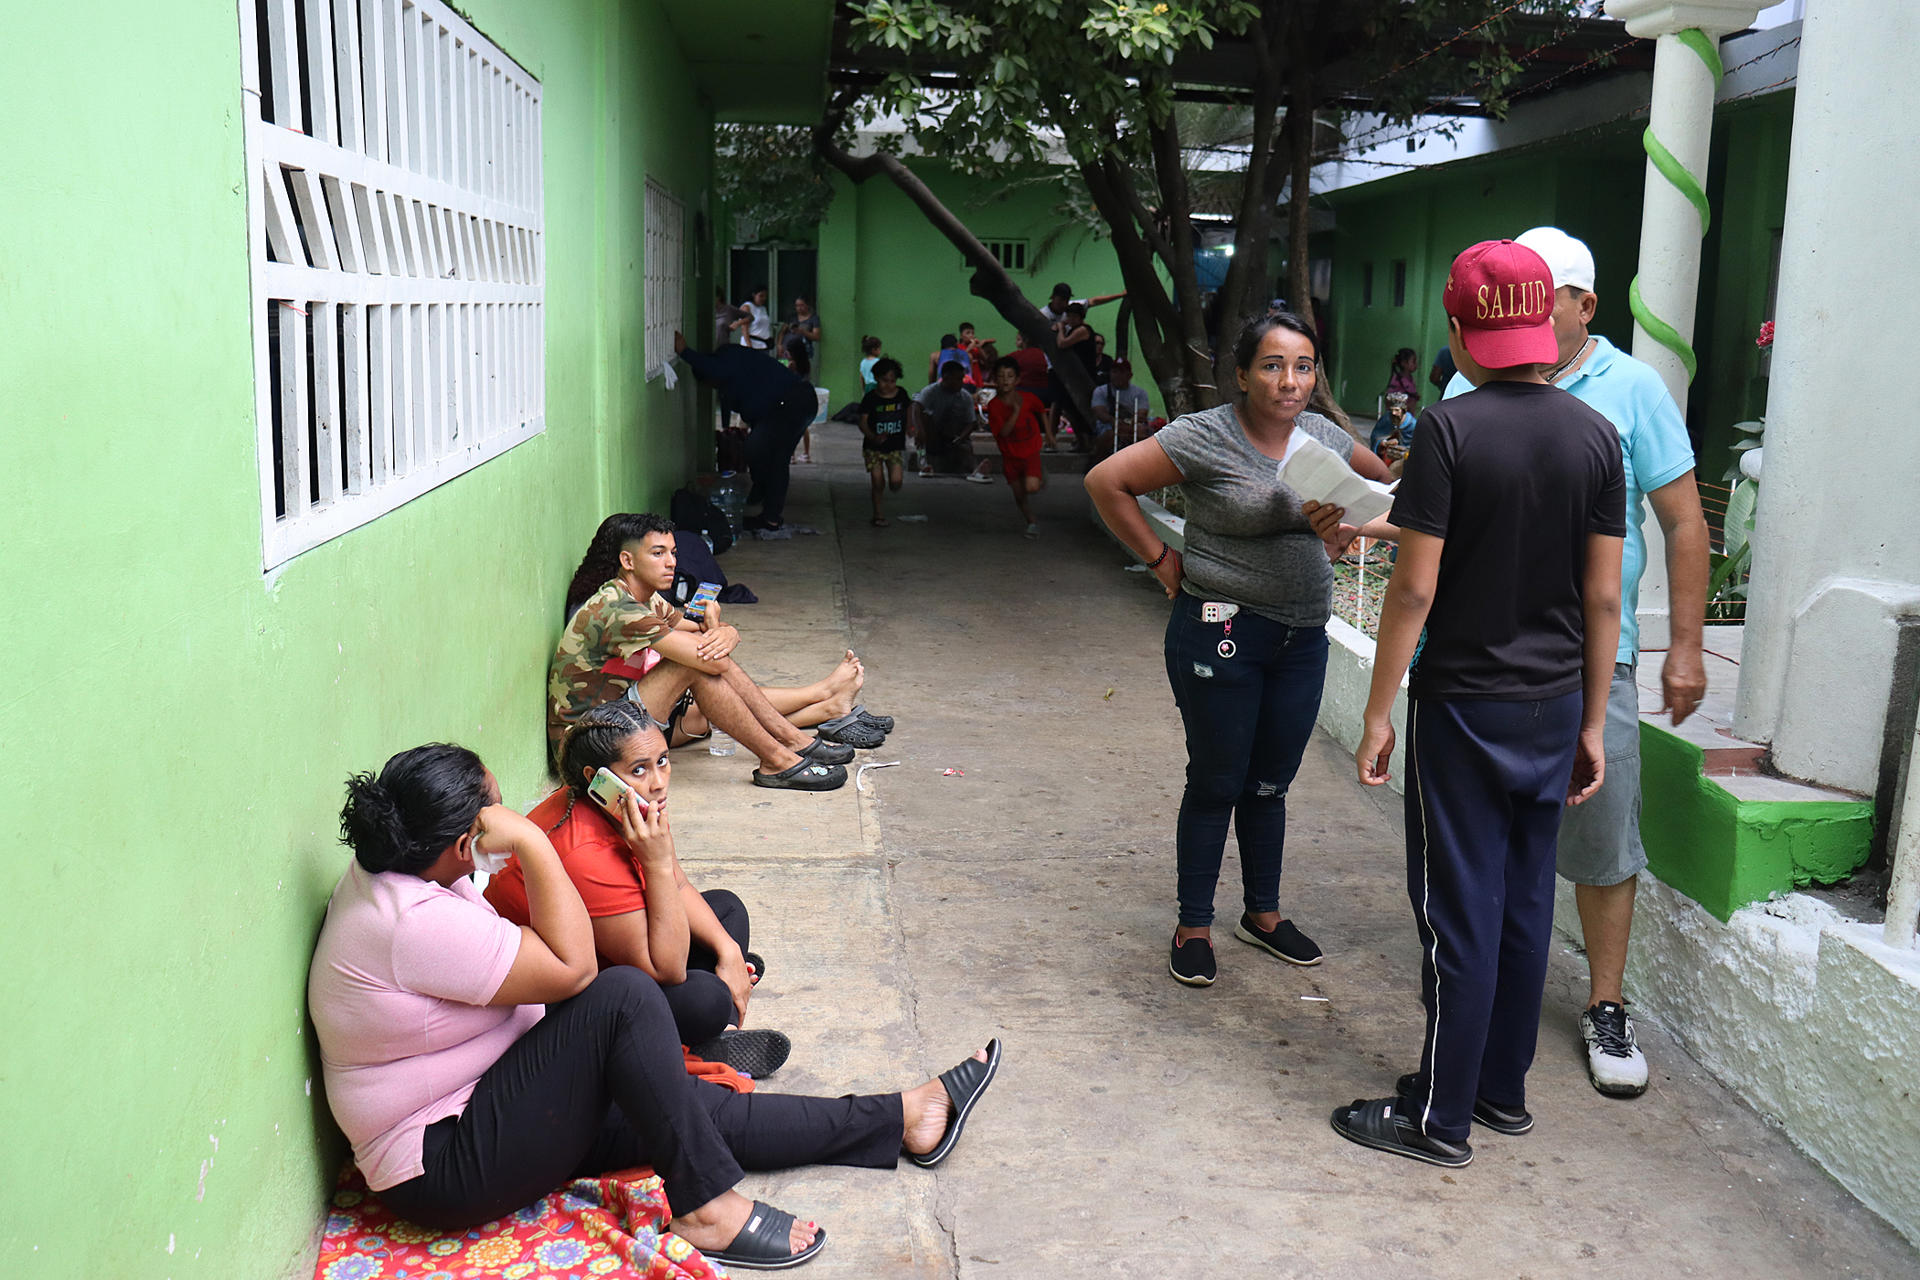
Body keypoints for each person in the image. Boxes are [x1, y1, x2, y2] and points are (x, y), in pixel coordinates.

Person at [309, 743, 1003, 1269]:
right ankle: (708, 1208)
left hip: (495, 1096)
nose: (507, 814)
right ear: (468, 844)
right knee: (622, 995)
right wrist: (527, 839)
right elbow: (575, 967)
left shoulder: (408, 860)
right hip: (445, 1159)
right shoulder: (409, 921)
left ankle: (903, 1118)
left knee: (691, 1115)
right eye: (495, 812)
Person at [1330, 238, 1624, 1169]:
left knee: (1455, 908)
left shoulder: (1449, 432)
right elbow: (1604, 598)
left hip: (1462, 707)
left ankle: (1439, 1120)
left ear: (1457, 333)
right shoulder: (1595, 436)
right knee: (1524, 904)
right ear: (1546, 324)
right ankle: (1500, 1092)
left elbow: (1413, 591)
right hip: (1549, 705)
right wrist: (1589, 721)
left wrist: (1379, 713)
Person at [1441, 226, 1708, 1099]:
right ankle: (1469, 1002)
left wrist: (1688, 647)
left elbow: (1682, 521)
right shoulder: (1466, 378)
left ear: (1583, 305)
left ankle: (1603, 1002)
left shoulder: (1631, 390)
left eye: (1535, 293)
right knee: (1483, 855)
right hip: (1479, 665)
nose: (1508, 308)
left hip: (1595, 667)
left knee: (1598, 838)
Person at [1085, 312, 1392, 988]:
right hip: (1221, 629)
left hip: (1302, 636)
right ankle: (1193, 924)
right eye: (1274, 365)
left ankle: (1264, 915)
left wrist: (1345, 526)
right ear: (1243, 373)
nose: (1290, 381)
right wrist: (1163, 560)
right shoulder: (1204, 436)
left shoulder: (1324, 437)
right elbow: (1106, 482)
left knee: (1269, 783)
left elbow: (1389, 494)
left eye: (1304, 366)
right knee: (1218, 779)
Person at [488, 701, 788, 1072]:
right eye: (639, 770)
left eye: (662, 761)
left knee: (726, 911)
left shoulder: (627, 806)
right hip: (559, 1002)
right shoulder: (583, 850)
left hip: (612, 948)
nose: (659, 781)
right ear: (597, 778)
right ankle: (706, 1036)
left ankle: (715, 1024)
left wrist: (727, 952)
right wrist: (656, 860)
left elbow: (677, 885)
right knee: (704, 997)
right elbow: (667, 972)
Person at [550, 512, 863, 792]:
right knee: (697, 666)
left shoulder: (647, 598)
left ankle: (790, 742)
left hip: (618, 721)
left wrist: (723, 629)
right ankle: (781, 753)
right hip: (585, 747)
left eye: (672, 553)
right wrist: (719, 632)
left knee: (707, 686)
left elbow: (695, 628)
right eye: (657, 554)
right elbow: (705, 655)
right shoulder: (617, 607)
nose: (671, 562)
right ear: (628, 561)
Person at [673, 330, 813, 531]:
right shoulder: (737, 368)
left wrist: (684, 352)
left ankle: (771, 518)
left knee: (775, 459)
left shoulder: (725, 361)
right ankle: (761, 493)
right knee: (757, 449)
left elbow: (713, 368)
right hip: (791, 403)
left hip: (791, 403)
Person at [984, 356, 1048, 537]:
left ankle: (1040, 475)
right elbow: (1004, 432)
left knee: (1031, 488)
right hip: (1010, 456)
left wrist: (1049, 434)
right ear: (995, 379)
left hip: (1030, 453)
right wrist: (1016, 412)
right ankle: (1032, 522)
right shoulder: (994, 406)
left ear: (1017, 380)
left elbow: (1041, 410)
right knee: (1019, 495)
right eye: (1001, 376)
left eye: (1010, 376)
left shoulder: (1027, 398)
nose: (1005, 380)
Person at [860, 358, 911, 526]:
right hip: (873, 447)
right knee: (877, 480)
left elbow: (909, 410)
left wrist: (911, 426)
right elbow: (863, 421)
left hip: (895, 446)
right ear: (876, 378)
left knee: (896, 481)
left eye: (892, 381)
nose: (888, 385)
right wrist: (872, 436)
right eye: (884, 380)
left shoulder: (901, 394)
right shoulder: (870, 399)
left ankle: (890, 489)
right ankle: (878, 514)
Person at [913, 360, 983, 477]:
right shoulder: (930, 391)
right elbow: (916, 408)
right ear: (946, 377)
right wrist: (919, 430)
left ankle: (976, 470)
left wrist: (961, 438)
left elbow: (972, 423)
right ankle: (924, 462)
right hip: (934, 434)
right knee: (925, 416)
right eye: (958, 379)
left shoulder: (965, 397)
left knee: (965, 448)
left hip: (954, 436)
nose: (961, 383)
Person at [1091, 358, 1152, 456]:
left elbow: (1142, 413)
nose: (1117, 375)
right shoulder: (1101, 391)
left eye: (1121, 372)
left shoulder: (1140, 393)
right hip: (1108, 425)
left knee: (1144, 434)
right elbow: (1099, 412)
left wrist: (1129, 425)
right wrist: (1113, 421)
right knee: (1108, 435)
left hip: (1132, 425)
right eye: (1115, 372)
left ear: (1129, 375)